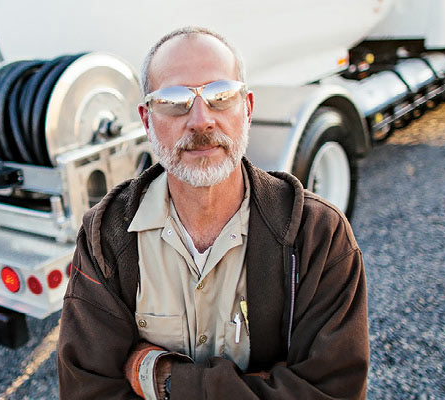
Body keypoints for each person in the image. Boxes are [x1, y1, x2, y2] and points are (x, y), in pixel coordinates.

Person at [57, 26, 368, 399]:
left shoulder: (319, 234)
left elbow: (331, 391)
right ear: (146, 120)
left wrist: (164, 381)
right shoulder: (106, 237)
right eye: (174, 101)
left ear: (248, 109)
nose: (201, 120)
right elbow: (87, 390)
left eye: (221, 96)